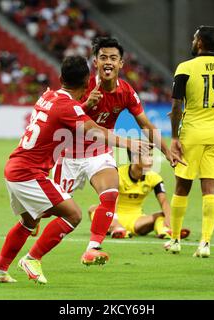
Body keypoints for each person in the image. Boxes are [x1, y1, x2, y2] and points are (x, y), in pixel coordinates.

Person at [0, 55, 149, 284]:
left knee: (29, 223)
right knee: (73, 215)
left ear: (61, 78)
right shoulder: (69, 107)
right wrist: (130, 143)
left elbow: (65, 118)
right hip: (29, 173)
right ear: (87, 83)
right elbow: (93, 130)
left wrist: (84, 107)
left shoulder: (48, 96)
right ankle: (32, 258)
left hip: (14, 167)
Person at [53, 37, 182, 266]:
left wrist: (165, 150)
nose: (108, 62)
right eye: (103, 57)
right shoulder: (82, 88)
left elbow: (146, 125)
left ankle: (93, 248)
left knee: (110, 193)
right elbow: (60, 120)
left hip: (99, 152)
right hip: (70, 154)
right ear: (95, 62)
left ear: (121, 64)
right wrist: (85, 106)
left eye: (113, 58)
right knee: (50, 209)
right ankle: (30, 220)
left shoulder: (126, 92)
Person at [165, 26, 214, 257]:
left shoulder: (185, 68)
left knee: (182, 186)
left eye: (194, 38)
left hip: (192, 134)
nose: (193, 41)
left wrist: (174, 137)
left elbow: (177, 107)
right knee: (210, 189)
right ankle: (205, 243)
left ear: (200, 43)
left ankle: (174, 239)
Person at [88, 147, 190, 239]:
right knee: (93, 209)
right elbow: (113, 202)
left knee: (163, 214)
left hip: (137, 221)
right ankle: (117, 228)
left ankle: (166, 231)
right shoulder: (117, 174)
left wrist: (169, 219)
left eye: (151, 155)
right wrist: (114, 220)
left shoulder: (154, 178)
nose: (151, 160)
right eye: (147, 156)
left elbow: (163, 201)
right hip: (115, 218)